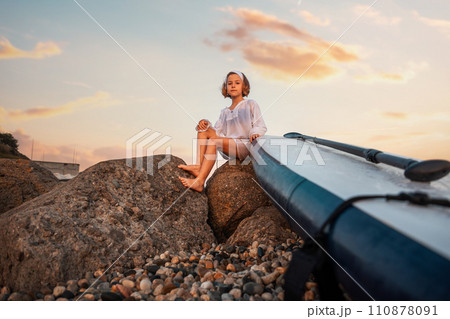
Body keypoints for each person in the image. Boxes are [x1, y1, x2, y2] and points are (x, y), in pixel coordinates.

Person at [178, 70, 267, 192]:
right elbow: (218, 132)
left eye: (237, 83)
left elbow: (260, 124)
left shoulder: (250, 104)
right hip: (229, 144)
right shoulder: (224, 112)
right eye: (230, 83)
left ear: (244, 86)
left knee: (214, 141)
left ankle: (200, 182)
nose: (233, 86)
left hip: (245, 145)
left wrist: (255, 133)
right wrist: (205, 123)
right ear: (226, 88)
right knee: (204, 130)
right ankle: (199, 166)